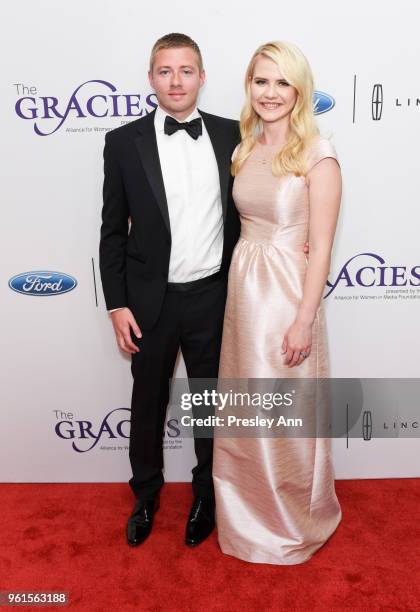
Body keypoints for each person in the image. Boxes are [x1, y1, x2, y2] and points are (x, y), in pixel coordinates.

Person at [99, 33, 242, 547]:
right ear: (151, 77)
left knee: (210, 403)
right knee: (148, 401)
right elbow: (112, 231)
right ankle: (146, 495)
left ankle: (206, 493)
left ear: (202, 77)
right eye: (165, 70)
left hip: (213, 297)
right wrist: (116, 303)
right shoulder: (122, 142)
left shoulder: (233, 134)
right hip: (148, 302)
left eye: (186, 70)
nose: (176, 81)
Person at [213, 41, 342, 564]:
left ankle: (291, 523)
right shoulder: (244, 149)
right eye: (261, 81)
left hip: (288, 295)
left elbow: (323, 247)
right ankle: (244, 517)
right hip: (244, 292)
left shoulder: (318, 153)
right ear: (249, 86)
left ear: (299, 90)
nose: (270, 93)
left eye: (282, 82)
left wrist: (303, 320)